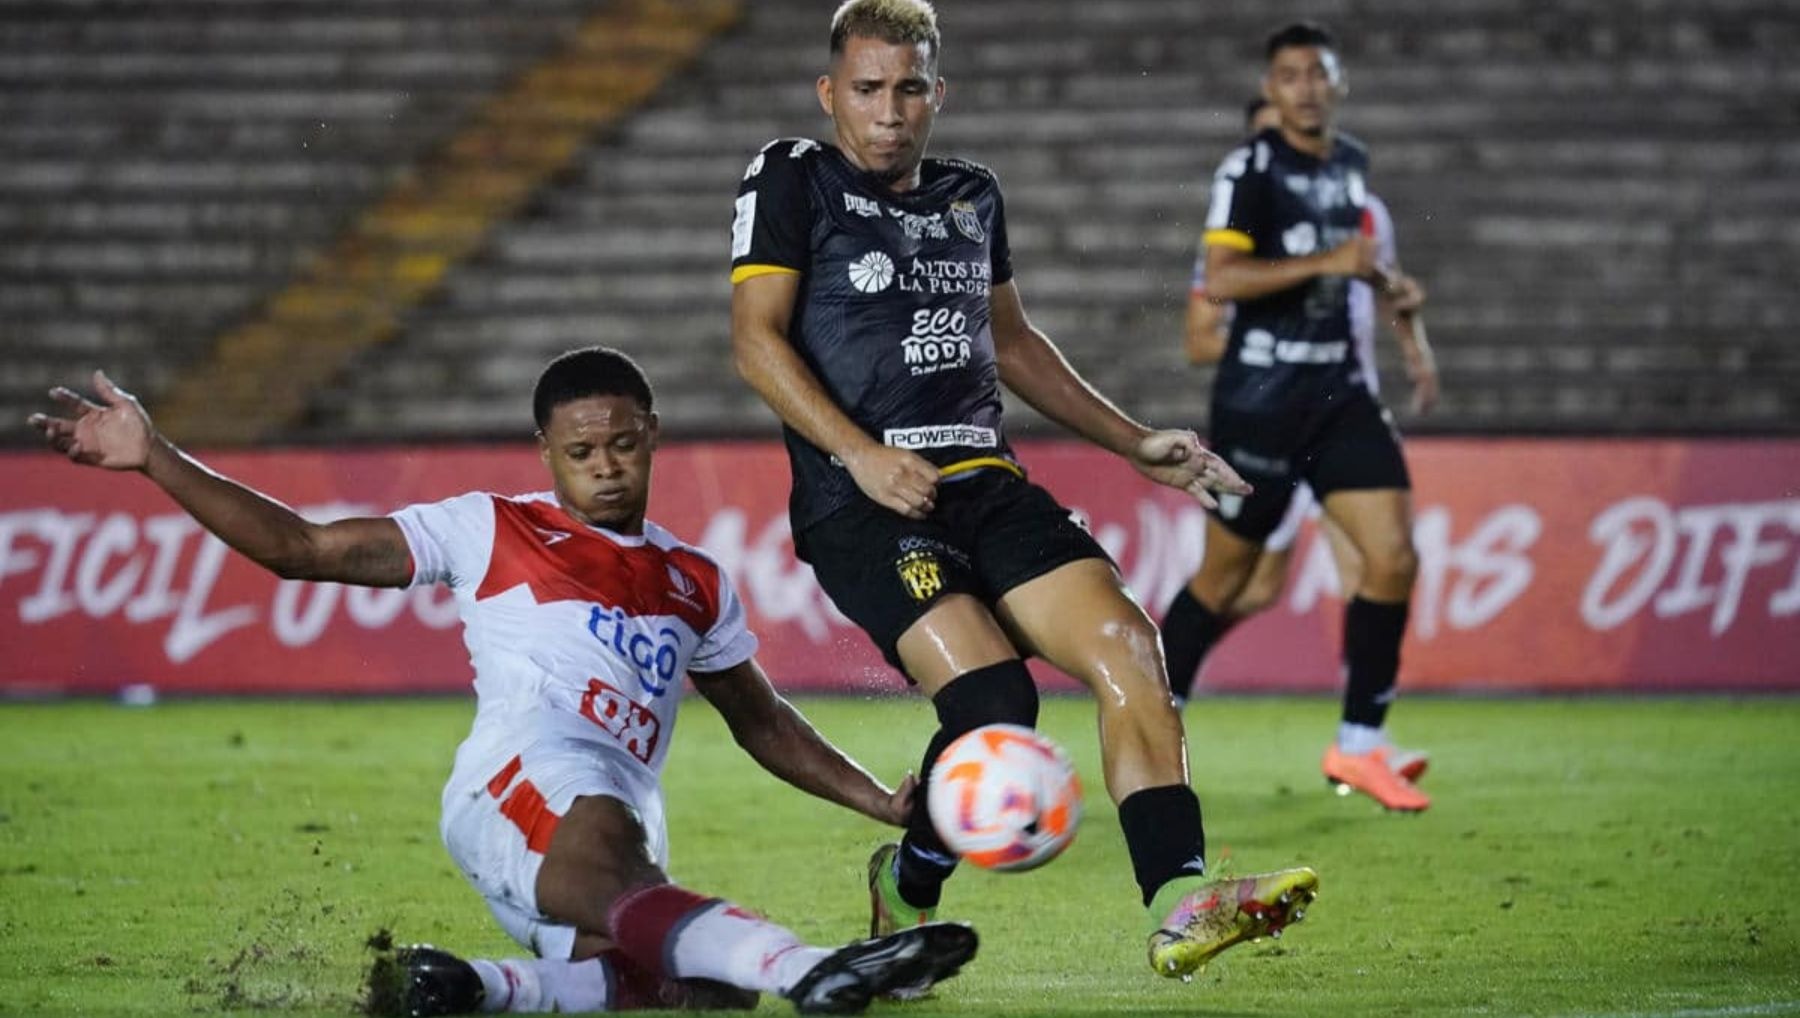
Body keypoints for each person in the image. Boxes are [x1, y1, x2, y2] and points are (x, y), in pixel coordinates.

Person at [26, 349, 979, 1017]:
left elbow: (762, 722)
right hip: (522, 780)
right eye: (580, 451)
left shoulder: (698, 582)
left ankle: (475, 987)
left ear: (652, 435)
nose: (604, 466)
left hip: (619, 809)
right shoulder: (489, 528)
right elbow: (301, 548)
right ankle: (814, 969)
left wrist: (879, 803)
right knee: (634, 872)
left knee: (694, 989)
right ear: (545, 452)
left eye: (622, 444)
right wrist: (154, 456)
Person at [728, 0, 1318, 985]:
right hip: (862, 498)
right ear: (830, 94)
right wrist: (862, 454)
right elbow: (756, 339)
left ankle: (1182, 902)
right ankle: (909, 881)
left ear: (937, 95)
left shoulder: (973, 195)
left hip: (988, 482)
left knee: (1133, 647)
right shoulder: (794, 176)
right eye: (867, 89)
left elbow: (1010, 343)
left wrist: (1135, 442)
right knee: (998, 700)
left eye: (909, 89)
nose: (888, 111)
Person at [1159, 23, 1436, 813]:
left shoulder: (1351, 164)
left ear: (1337, 83)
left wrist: (1395, 306)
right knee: (1226, 583)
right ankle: (1153, 711)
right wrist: (1329, 265)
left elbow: (1352, 267)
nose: (1307, 86)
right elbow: (1219, 279)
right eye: (1290, 74)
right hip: (1262, 403)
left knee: (1393, 556)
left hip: (1340, 397)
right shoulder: (1248, 167)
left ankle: (1360, 746)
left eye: (1320, 72)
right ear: (1272, 90)